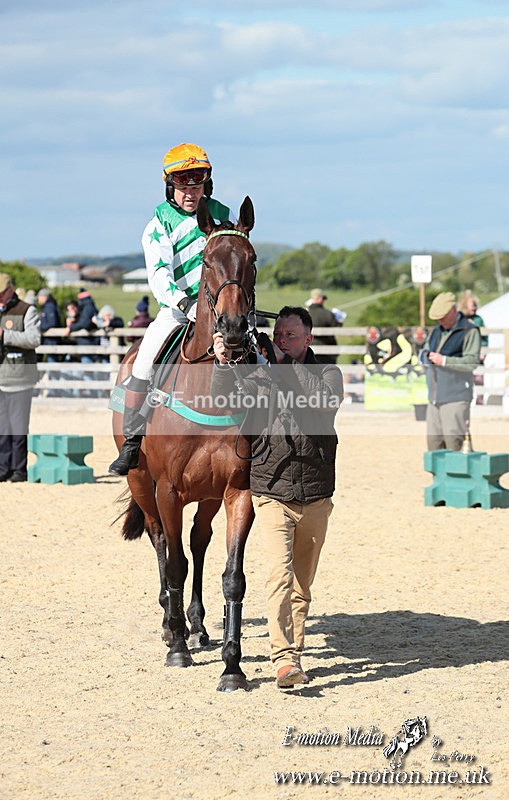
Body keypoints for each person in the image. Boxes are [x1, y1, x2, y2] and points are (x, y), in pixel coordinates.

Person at [212, 306, 343, 688]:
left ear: (309, 339)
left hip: (316, 493)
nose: (282, 341)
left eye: (290, 335)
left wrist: (282, 368)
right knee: (279, 575)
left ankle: (294, 655)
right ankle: (283, 660)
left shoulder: (329, 374)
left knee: (302, 585)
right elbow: (226, 400)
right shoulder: (263, 376)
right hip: (272, 492)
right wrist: (223, 364)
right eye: (278, 335)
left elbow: (321, 401)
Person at [109, 142, 235, 476]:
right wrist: (185, 303)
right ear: (170, 186)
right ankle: (133, 440)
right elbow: (159, 274)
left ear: (206, 184)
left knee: (259, 355)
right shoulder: (158, 224)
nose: (190, 193)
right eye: (183, 186)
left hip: (223, 309)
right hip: (177, 309)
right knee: (143, 362)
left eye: (196, 185)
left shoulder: (224, 215)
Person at [0, 273, 41, 482]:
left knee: (18, 427)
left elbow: (34, 339)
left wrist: (4, 335)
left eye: (0, 294)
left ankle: (19, 470)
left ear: (10, 290)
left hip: (19, 379)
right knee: (1, 428)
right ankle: (3, 469)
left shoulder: (27, 310)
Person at [420, 292, 481, 451]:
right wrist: (425, 357)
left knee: (455, 445)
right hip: (434, 398)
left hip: (456, 398)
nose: (440, 321)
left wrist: (445, 361)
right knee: (434, 447)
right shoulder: (436, 331)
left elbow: (472, 361)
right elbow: (425, 350)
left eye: (443, 317)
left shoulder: (470, 331)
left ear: (453, 310)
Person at [63, 289, 99, 396]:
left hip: (87, 345)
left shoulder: (87, 308)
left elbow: (84, 322)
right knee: (87, 372)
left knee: (87, 372)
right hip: (86, 345)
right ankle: (90, 394)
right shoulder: (89, 307)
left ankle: (90, 395)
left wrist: (71, 327)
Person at [306, 289, 342, 364]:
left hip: (307, 351)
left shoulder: (305, 314)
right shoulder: (328, 314)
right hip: (327, 354)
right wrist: (340, 322)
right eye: (323, 299)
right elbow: (337, 327)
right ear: (320, 299)